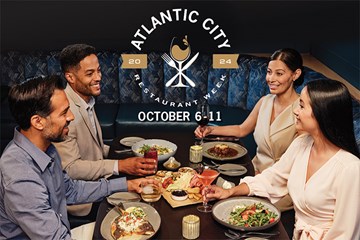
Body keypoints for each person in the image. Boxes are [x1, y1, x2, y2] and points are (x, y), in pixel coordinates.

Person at [0, 75, 157, 239]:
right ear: (38, 122)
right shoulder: (20, 175)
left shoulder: (46, 148)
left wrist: (127, 184)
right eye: (63, 113)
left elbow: (70, 190)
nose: (71, 117)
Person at [205, 80, 360, 240]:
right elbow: (272, 178)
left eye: (302, 106)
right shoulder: (302, 143)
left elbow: (346, 234)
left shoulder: (350, 168)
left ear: (322, 113)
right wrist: (230, 191)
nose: (295, 111)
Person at [53, 44, 156, 216]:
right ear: (70, 77)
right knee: (145, 206)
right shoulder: (66, 113)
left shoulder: (86, 100)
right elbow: (71, 168)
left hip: (101, 181)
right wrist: (120, 165)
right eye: (89, 73)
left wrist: (129, 154)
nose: (98, 77)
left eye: (99, 70)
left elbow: (93, 149)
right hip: (84, 201)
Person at [195, 48, 303, 174]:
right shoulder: (265, 101)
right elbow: (241, 129)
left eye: (279, 74)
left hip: (279, 179)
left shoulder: (302, 110)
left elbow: (299, 160)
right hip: (254, 170)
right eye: (269, 72)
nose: (271, 79)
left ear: (295, 74)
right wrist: (210, 129)